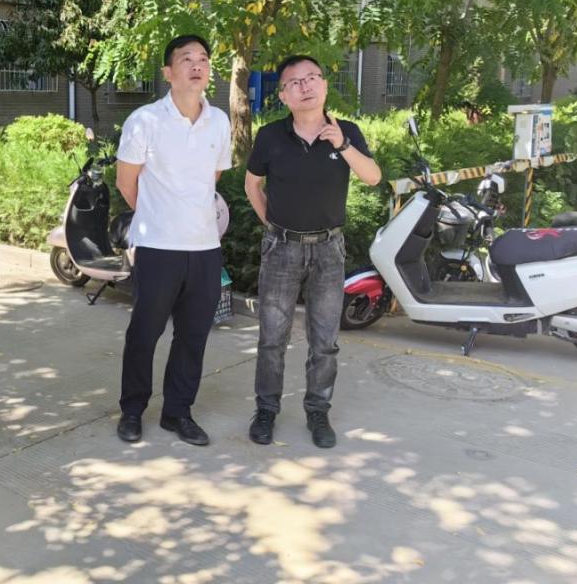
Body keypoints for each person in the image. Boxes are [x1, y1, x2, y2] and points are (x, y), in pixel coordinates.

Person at [244, 55, 381, 448]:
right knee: (272, 337)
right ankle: (266, 409)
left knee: (325, 340)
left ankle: (318, 411)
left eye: (312, 78)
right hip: (281, 248)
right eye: (295, 82)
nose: (305, 86)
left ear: (324, 84)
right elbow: (252, 185)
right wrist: (271, 224)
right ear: (283, 96)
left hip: (329, 251)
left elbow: (373, 177)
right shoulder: (270, 136)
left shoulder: (347, 131)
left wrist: (344, 145)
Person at [114, 34, 232, 446]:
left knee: (193, 336)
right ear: (168, 72)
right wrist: (157, 214)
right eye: (186, 59)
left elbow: (212, 177)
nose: (197, 65)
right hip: (158, 248)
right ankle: (132, 410)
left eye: (203, 59)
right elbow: (126, 182)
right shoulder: (144, 120)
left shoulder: (219, 121)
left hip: (205, 249)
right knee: (144, 333)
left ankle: (177, 412)